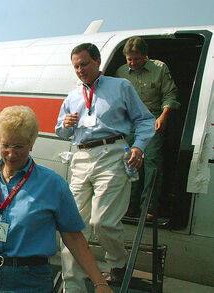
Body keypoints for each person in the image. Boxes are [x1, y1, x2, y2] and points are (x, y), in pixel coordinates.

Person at [0, 106, 113, 293]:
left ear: (31, 144)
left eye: (19, 147)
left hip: (29, 280)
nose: (11, 153)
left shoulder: (53, 185)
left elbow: (73, 237)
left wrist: (99, 283)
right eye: (5, 145)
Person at [55, 43, 155, 292]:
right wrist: (65, 124)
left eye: (84, 64)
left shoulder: (121, 86)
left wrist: (139, 146)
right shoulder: (72, 96)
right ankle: (74, 287)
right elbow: (61, 131)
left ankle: (117, 264)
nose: (80, 70)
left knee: (102, 221)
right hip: (80, 158)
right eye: (76, 66)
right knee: (72, 227)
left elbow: (145, 120)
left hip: (112, 154)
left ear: (98, 62)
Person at [115, 36, 180, 219]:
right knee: (129, 163)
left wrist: (164, 115)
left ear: (145, 56)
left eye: (137, 59)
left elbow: (170, 94)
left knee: (151, 162)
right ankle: (129, 206)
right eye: (130, 59)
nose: (133, 63)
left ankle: (148, 208)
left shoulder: (159, 68)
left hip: (152, 120)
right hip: (129, 122)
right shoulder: (121, 73)